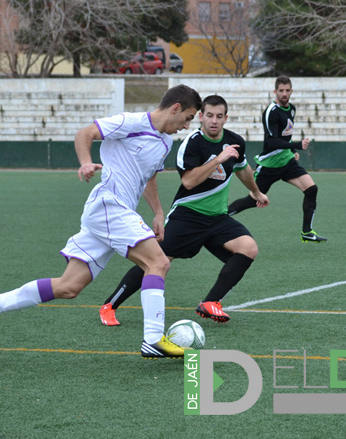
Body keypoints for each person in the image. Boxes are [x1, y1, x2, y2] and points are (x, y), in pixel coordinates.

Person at [0, 85, 202, 359]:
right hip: (109, 205)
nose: (187, 125)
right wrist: (85, 162)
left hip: (111, 214)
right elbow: (85, 133)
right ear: (175, 108)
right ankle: (153, 338)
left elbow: (149, 178)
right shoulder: (131, 122)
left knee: (69, 286)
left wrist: (157, 212)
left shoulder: (165, 142)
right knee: (159, 262)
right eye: (188, 118)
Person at [99, 95, 269, 326]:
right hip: (187, 215)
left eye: (219, 116)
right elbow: (189, 181)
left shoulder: (235, 141)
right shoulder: (192, 142)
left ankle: (211, 302)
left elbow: (243, 169)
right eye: (209, 115)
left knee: (248, 248)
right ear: (201, 116)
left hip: (217, 218)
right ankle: (110, 305)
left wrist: (256, 192)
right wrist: (219, 159)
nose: (214, 121)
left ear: (226, 118)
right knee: (156, 261)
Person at [227, 76, 326, 243]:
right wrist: (297, 145)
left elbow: (284, 136)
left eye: (287, 90)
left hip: (286, 162)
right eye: (281, 90)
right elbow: (272, 141)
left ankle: (307, 232)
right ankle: (220, 215)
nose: (284, 93)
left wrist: (292, 150)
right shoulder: (271, 112)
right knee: (252, 200)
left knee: (311, 189)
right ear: (275, 92)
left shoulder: (292, 109)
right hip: (270, 164)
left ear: (291, 91)